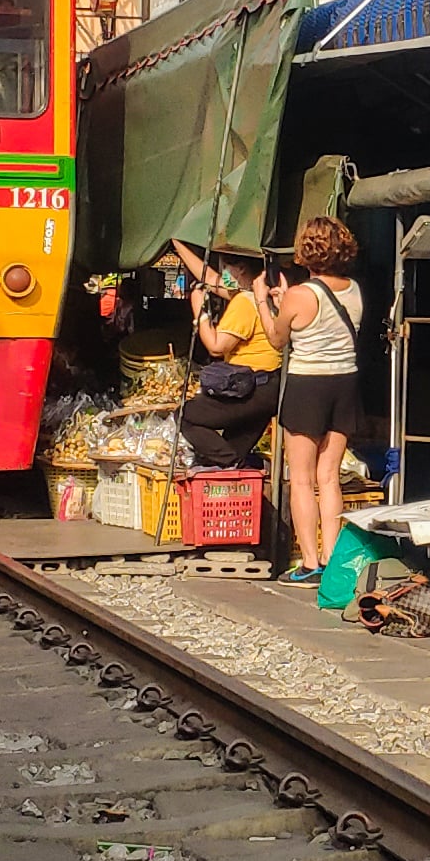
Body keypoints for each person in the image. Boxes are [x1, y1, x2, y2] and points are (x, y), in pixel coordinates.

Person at [259, 217, 367, 586]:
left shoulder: (299, 294)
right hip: (345, 383)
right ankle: (333, 557)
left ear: (307, 251)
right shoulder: (354, 290)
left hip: (308, 386)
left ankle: (309, 562)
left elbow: (277, 338)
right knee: (330, 477)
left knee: (302, 479)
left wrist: (264, 301)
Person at [168, 240, 281, 472]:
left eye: (226, 267)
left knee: (186, 416)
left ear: (240, 269)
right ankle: (235, 467)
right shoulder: (262, 296)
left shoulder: (244, 303)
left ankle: (232, 462)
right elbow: (210, 278)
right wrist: (178, 245)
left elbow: (216, 346)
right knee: (229, 453)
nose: (223, 273)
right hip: (269, 387)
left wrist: (200, 313)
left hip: (250, 390)